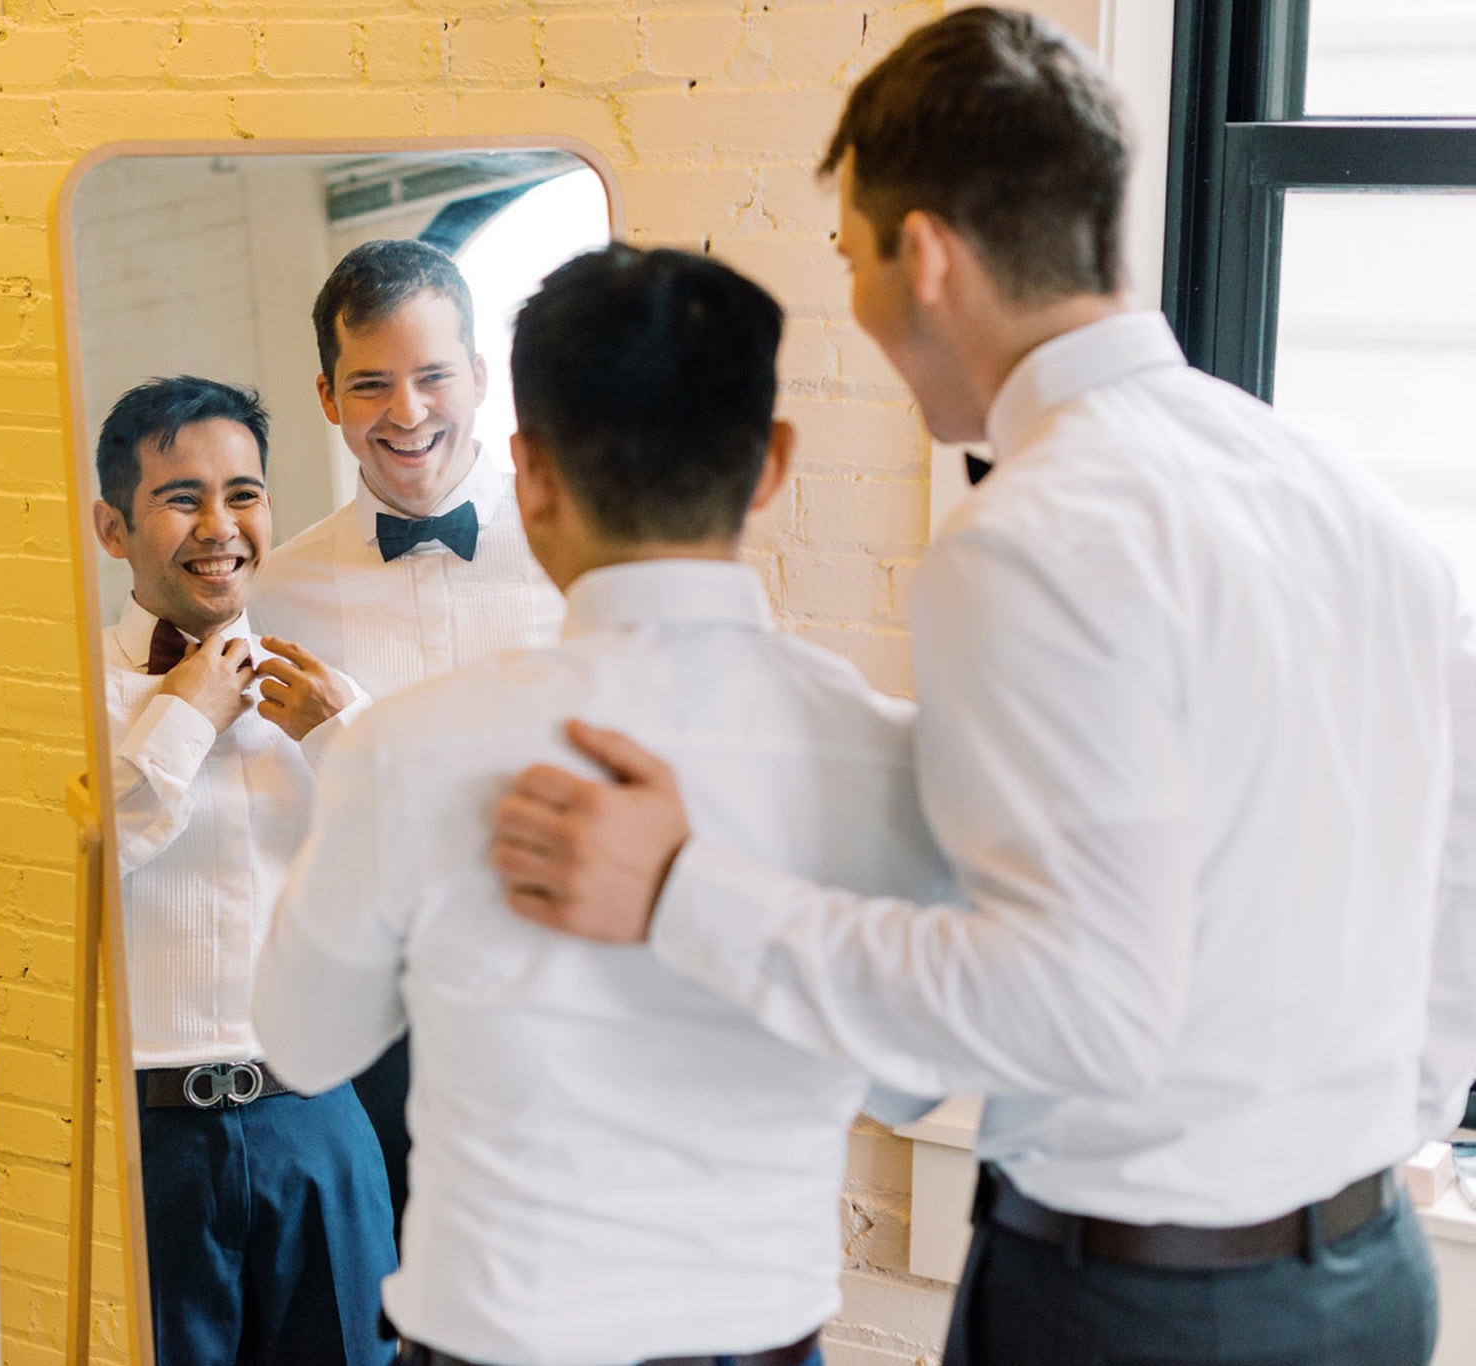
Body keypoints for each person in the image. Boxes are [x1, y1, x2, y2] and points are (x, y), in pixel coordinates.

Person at [490, 10, 1476, 1366]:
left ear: (929, 258)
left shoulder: (1028, 540)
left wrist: (681, 887)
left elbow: (1075, 1006)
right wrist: (1356, 1156)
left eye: (851, 259)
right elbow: (1456, 885)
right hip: (1374, 1282)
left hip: (1144, 1312)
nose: (860, 308)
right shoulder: (1360, 508)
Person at [251, 244, 954, 1366]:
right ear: (771, 464)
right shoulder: (877, 750)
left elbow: (298, 1044)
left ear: (526, 471)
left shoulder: (399, 749)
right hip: (761, 1339)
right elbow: (920, 1079)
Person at [252, 238, 566, 1234]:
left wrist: (345, 737)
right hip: (372, 1029)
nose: (406, 412)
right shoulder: (275, 595)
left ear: (479, 376)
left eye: (433, 376)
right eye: (371, 384)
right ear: (325, 395)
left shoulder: (575, 552)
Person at [90, 375, 395, 1366]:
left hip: (317, 1127)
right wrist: (181, 718)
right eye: (182, 497)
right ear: (111, 526)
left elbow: (420, 894)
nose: (220, 525)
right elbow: (69, 880)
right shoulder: (68, 701)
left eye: (244, 492)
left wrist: (338, 740)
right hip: (146, 1144)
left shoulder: (327, 696)